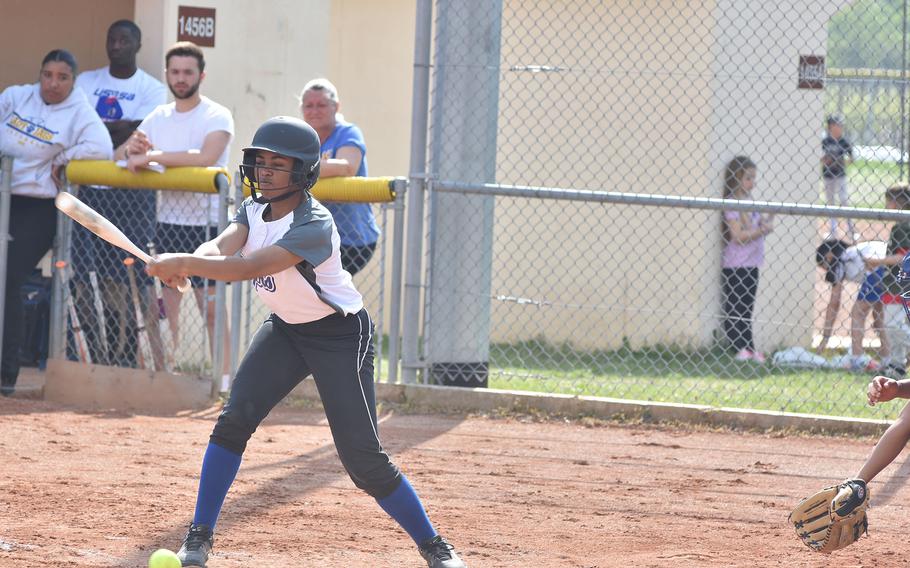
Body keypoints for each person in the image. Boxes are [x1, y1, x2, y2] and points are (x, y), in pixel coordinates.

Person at [147, 116, 466, 568]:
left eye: (280, 164)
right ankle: (198, 536)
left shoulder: (314, 224)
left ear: (304, 173)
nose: (267, 171)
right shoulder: (254, 209)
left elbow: (247, 267)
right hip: (286, 330)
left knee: (363, 460)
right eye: (261, 162)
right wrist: (187, 264)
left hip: (339, 335)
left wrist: (181, 262)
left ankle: (435, 546)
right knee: (233, 420)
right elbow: (222, 247)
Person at [119, 41, 233, 390]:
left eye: (187, 72)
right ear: (167, 74)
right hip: (168, 223)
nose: (181, 78)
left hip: (209, 227)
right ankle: (169, 379)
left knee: (211, 309)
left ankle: (224, 383)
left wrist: (153, 157)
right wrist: (132, 149)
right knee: (167, 309)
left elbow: (205, 157)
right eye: (175, 72)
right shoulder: (158, 116)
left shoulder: (217, 114)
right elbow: (125, 156)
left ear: (201, 75)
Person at [0, 49, 112, 396]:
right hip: (5, 195)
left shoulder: (79, 110)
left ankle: (6, 374)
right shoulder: (17, 96)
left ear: (73, 81)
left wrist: (63, 157)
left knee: (10, 276)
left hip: (38, 207)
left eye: (62, 77)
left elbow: (102, 148)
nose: (53, 83)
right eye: (47, 74)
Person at [73, 19, 167, 369]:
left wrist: (102, 129)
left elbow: (140, 132)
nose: (116, 44)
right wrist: (117, 130)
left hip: (131, 196)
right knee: (84, 275)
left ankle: (128, 357)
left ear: (137, 44)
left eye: (124, 39)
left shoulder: (152, 88)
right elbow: (82, 125)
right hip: (89, 193)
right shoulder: (87, 81)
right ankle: (85, 354)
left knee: (126, 276)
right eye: (111, 39)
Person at [299, 78, 380, 276]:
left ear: (336, 106)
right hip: (314, 236)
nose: (315, 111)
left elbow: (348, 167)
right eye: (309, 105)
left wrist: (299, 169)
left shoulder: (348, 132)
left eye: (322, 105)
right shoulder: (303, 137)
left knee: (323, 292)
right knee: (310, 293)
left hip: (352, 239)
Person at [721, 155, 773, 363]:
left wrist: (770, 219)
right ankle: (739, 346)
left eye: (754, 178)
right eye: (748, 178)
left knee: (747, 308)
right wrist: (761, 230)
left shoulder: (750, 201)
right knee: (736, 307)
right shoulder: (732, 204)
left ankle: (749, 347)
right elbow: (738, 236)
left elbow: (760, 225)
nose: (752, 183)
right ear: (737, 178)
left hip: (752, 263)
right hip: (736, 264)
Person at [814, 238, 889, 371]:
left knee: (858, 313)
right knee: (879, 319)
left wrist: (825, 338)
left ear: (829, 256)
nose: (826, 269)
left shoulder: (841, 259)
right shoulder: (853, 252)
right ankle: (888, 360)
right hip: (890, 268)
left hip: (879, 268)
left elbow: (834, 303)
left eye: (823, 263)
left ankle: (857, 359)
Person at [863, 183, 910, 379]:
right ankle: (897, 366)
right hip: (897, 283)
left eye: (888, 201)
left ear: (896, 203)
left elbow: (903, 258)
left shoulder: (902, 227)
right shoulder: (900, 225)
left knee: (892, 324)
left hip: (900, 284)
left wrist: (877, 261)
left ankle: (898, 362)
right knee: (894, 326)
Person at [821, 115, 856, 241]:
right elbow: (820, 159)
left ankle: (851, 230)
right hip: (828, 175)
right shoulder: (825, 141)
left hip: (840, 175)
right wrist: (827, 161)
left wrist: (840, 161)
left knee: (844, 200)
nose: (840, 127)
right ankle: (833, 230)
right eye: (838, 125)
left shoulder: (843, 141)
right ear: (831, 126)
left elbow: (851, 158)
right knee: (831, 202)